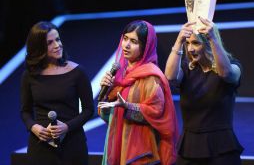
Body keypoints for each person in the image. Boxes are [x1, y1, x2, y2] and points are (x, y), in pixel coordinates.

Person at [164, 17, 244, 165]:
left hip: (221, 149)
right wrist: (179, 41)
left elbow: (226, 74)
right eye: (188, 43)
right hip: (189, 148)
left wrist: (213, 37)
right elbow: (169, 77)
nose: (190, 49)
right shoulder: (187, 69)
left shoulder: (231, 66)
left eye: (195, 43)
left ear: (208, 44)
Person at [98, 20, 179, 165]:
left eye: (134, 41)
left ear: (145, 47)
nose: (126, 45)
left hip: (140, 151)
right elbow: (108, 117)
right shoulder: (119, 73)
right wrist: (105, 93)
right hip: (118, 143)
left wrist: (127, 107)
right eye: (125, 38)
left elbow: (156, 113)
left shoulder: (151, 76)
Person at [20, 21, 94, 165]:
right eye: (50, 42)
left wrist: (66, 127)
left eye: (58, 39)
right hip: (41, 146)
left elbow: (88, 110)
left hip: (73, 145)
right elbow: (25, 112)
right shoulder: (29, 75)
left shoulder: (78, 72)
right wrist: (34, 127)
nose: (57, 45)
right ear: (38, 47)